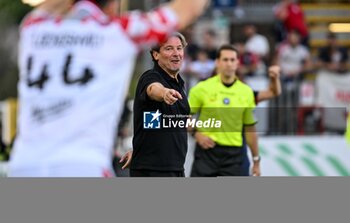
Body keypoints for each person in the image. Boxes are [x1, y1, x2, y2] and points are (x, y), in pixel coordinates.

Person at [8, 0, 210, 177]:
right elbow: (189, 7)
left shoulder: (34, 26)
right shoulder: (120, 31)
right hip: (83, 164)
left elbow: (49, 6)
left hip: (25, 164)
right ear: (113, 4)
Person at [121, 33, 189, 177]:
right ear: (156, 55)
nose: (176, 54)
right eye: (169, 49)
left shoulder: (180, 84)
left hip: (176, 169)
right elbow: (153, 89)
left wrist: (140, 148)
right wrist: (164, 93)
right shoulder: (150, 77)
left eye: (179, 48)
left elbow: (155, 124)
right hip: (153, 171)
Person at [189, 45, 260, 177]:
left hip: (234, 156)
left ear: (237, 63)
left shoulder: (246, 91)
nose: (229, 64)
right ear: (217, 62)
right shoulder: (201, 88)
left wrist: (256, 160)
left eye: (232, 60)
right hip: (207, 152)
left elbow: (250, 128)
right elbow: (183, 116)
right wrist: (196, 134)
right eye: (225, 60)